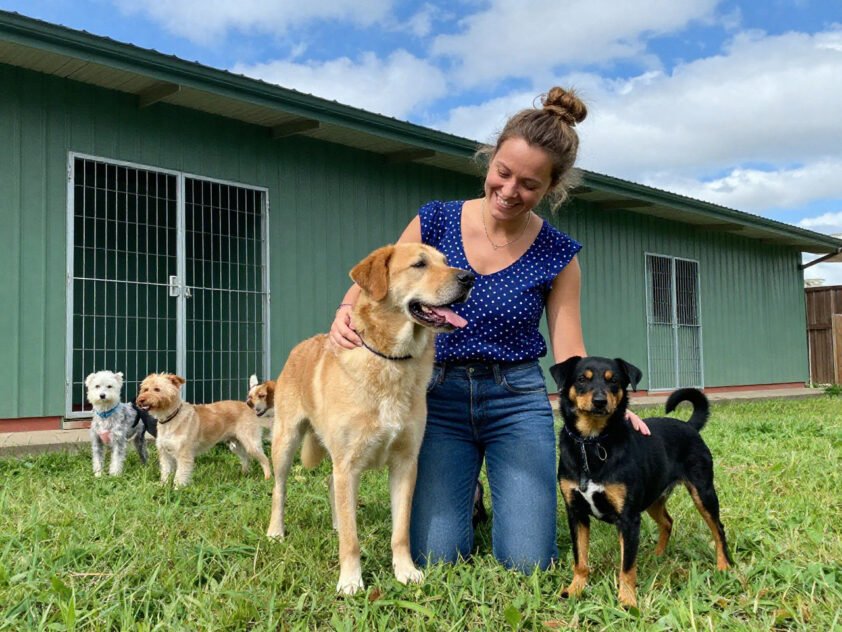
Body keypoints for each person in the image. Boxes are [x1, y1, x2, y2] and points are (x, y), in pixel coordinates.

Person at [329, 86, 649, 573]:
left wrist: (611, 407)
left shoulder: (558, 254)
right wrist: (343, 311)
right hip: (436, 394)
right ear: (489, 157)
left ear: (551, 188)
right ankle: (465, 493)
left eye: (529, 183)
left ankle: (492, 486)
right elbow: (382, 277)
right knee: (438, 555)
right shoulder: (435, 219)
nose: (509, 190)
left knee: (528, 561)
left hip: (515, 398)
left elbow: (571, 353)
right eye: (502, 172)